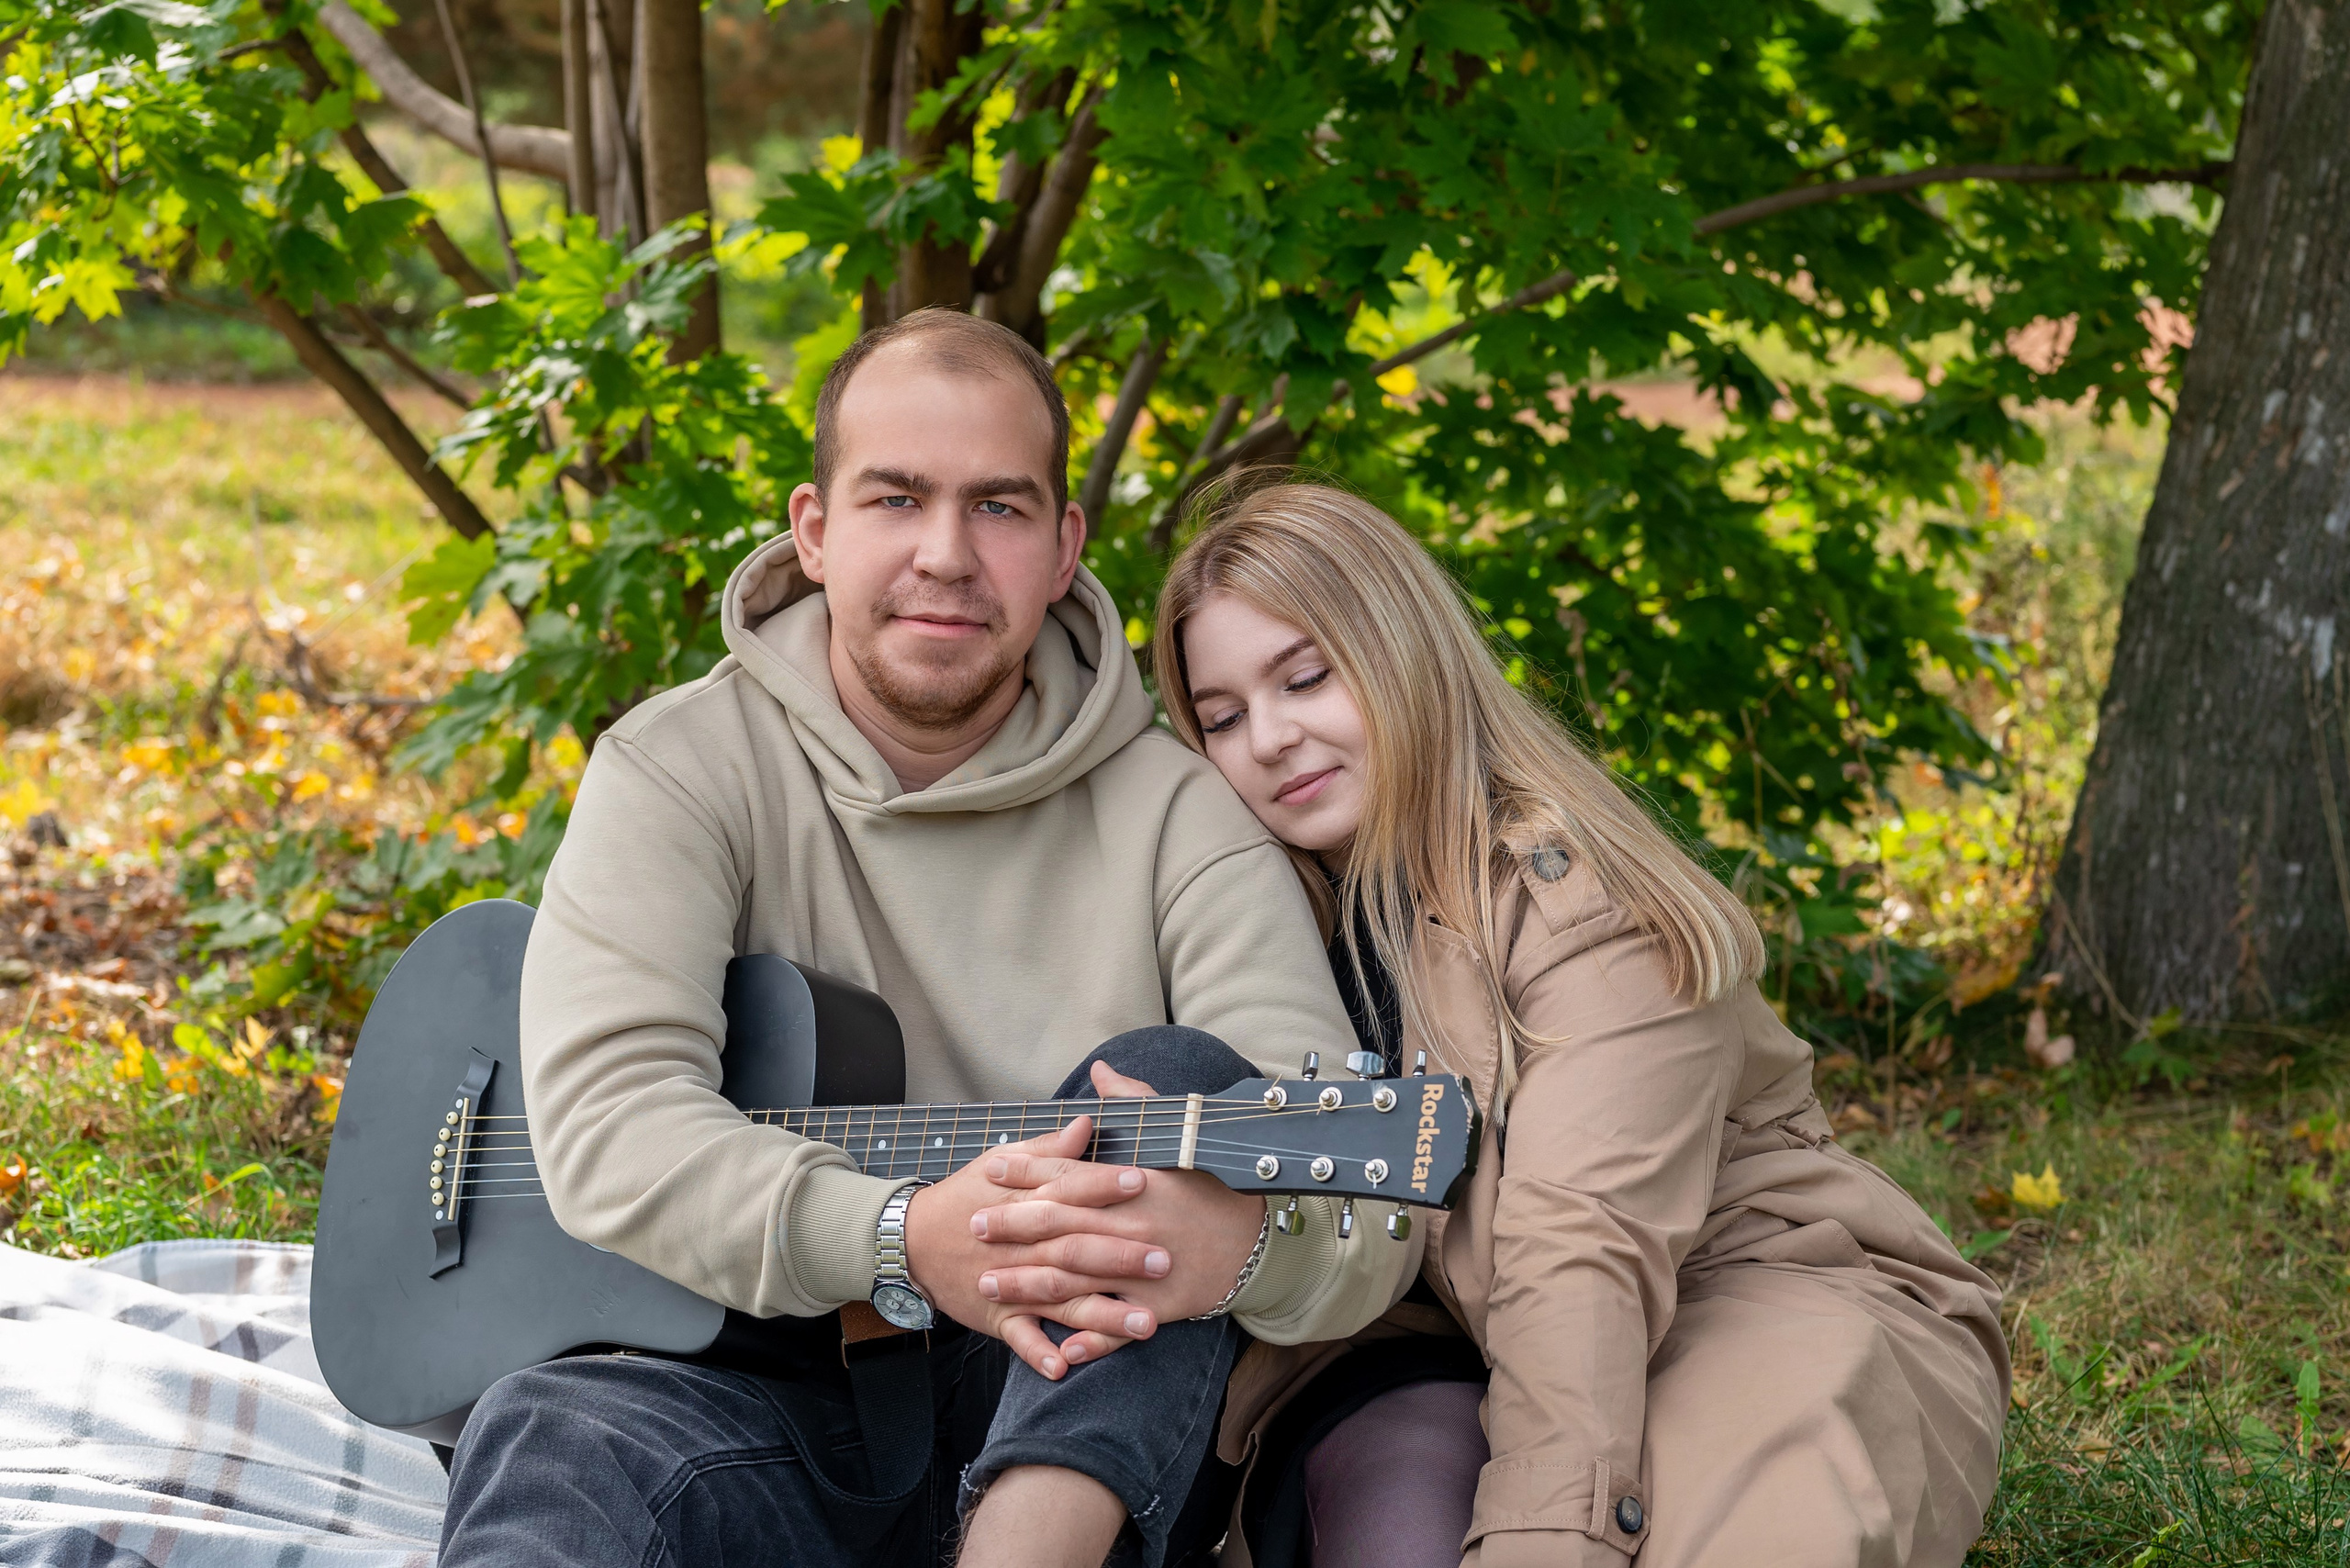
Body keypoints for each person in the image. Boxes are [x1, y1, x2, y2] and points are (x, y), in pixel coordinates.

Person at [436, 315, 1418, 1568]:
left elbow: (1358, 1215)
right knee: (553, 1436)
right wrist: (904, 1236)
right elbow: (613, 1128)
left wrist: (1243, 1248)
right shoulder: (679, 769)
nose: (947, 556)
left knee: (1170, 1089)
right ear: (814, 531)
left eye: (999, 509)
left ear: (1065, 548)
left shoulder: (1185, 821)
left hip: (1065, 1426)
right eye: (896, 497)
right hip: (742, 1383)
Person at [1150, 482, 2011, 1568]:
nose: (1268, 738)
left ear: (1401, 652)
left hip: (1736, 1290)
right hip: (1436, 1344)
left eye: (1306, 676)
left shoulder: (1582, 908)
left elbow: (1578, 1262)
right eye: (1221, 717)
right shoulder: (1251, 916)